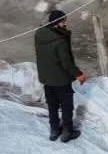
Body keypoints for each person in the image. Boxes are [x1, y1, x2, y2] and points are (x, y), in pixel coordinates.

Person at [34, 9, 85, 142]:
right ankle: (67, 132)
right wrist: (78, 74)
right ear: (58, 23)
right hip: (61, 80)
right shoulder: (59, 40)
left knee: (52, 105)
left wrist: (62, 31)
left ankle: (54, 130)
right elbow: (66, 63)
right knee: (67, 106)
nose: (65, 24)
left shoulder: (39, 35)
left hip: (47, 79)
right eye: (64, 22)